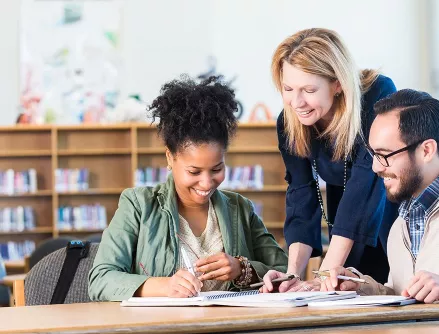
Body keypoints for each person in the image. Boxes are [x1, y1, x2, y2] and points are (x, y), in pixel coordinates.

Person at [88, 76, 288, 301]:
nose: (206, 183)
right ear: (170, 158)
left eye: (216, 169)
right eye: (194, 172)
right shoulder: (138, 206)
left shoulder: (240, 209)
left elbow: (285, 272)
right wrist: (163, 286)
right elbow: (101, 279)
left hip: (230, 330)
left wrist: (243, 270)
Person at [262, 28, 398, 293]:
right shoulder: (289, 121)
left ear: (337, 84)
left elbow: (365, 183)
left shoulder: (377, 94)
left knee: (387, 289)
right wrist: (292, 275)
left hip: (391, 207)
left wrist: (325, 274)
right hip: (344, 215)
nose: (296, 102)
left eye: (309, 89)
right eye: (288, 88)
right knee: (343, 292)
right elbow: (301, 196)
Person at [321, 89, 439, 303]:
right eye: (373, 155)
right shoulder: (399, 225)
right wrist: (361, 287)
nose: (375, 167)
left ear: (426, 151)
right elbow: (401, 295)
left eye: (384, 155)